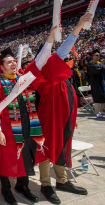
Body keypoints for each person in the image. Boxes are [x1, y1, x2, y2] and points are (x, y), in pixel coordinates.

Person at [30, 15, 92, 204]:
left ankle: (63, 180)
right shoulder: (43, 75)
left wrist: (73, 119)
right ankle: (46, 184)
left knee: (63, 146)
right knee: (47, 149)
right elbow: (62, 50)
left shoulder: (63, 78)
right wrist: (79, 26)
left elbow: (70, 101)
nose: (57, 58)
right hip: (48, 119)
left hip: (64, 120)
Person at [0, 47, 47, 205]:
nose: (13, 63)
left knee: (26, 154)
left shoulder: (23, 78)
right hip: (8, 128)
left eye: (14, 61)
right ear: (1, 67)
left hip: (27, 124)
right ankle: (6, 189)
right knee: (7, 158)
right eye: (8, 62)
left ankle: (23, 186)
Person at [87, 49, 105, 117]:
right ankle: (97, 111)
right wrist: (101, 66)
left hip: (101, 81)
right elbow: (98, 71)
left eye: (99, 55)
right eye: (97, 55)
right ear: (93, 56)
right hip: (95, 82)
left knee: (102, 95)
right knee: (97, 96)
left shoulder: (99, 63)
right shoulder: (90, 64)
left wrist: (101, 66)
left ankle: (102, 110)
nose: (98, 56)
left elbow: (102, 68)